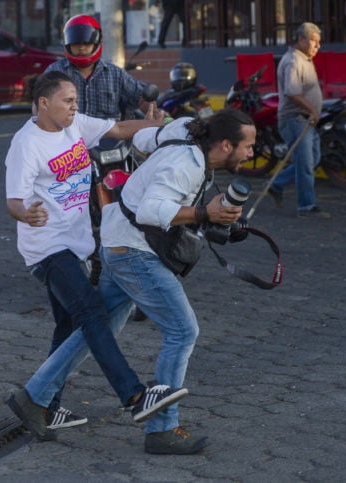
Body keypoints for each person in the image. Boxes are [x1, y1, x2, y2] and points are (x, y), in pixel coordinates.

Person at [4, 71, 186, 441]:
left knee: (68, 328)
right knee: (91, 313)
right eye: (68, 101)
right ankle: (134, 395)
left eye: (75, 101)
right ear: (43, 103)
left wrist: (157, 127)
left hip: (77, 245)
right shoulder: (27, 144)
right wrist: (26, 213)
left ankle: (41, 406)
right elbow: (13, 200)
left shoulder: (74, 126)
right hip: (48, 249)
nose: (75, 106)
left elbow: (118, 129)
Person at [98, 108, 256, 454]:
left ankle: (36, 397)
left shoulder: (185, 130)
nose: (252, 153)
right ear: (226, 144)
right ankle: (161, 430)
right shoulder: (187, 163)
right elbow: (150, 211)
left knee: (97, 331)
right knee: (182, 331)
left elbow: (141, 138)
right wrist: (204, 212)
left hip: (116, 238)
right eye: (248, 146)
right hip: (134, 251)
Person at [267, 22, 330, 219]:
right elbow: (292, 92)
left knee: (313, 159)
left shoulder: (305, 58)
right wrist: (312, 109)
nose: (317, 46)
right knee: (305, 163)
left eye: (319, 42)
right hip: (295, 118)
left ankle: (276, 184)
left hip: (305, 119)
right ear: (301, 40)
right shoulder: (294, 61)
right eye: (313, 41)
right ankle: (306, 206)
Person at [45, 14, 154, 120]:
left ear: (96, 43)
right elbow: (40, 107)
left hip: (109, 137)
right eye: (76, 43)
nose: (82, 47)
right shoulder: (55, 72)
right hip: (67, 136)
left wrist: (153, 110)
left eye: (87, 43)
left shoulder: (115, 74)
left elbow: (141, 97)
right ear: (68, 44)